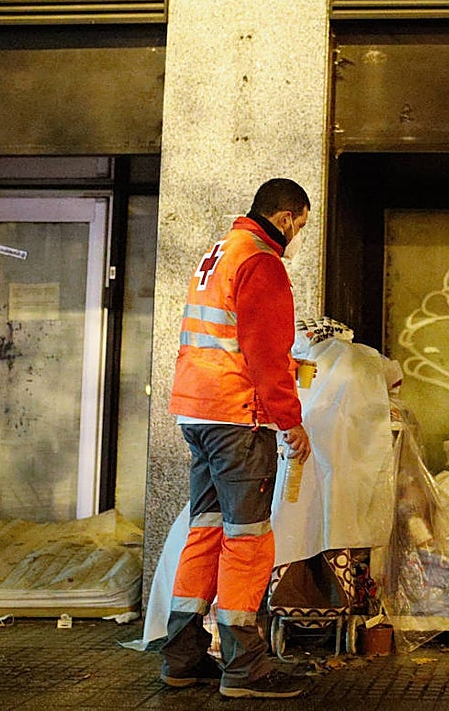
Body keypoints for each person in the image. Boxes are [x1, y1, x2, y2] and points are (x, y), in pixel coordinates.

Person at [160, 178, 314, 699]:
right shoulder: (261, 262)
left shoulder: (219, 252)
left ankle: (181, 657)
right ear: (289, 217)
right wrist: (290, 423)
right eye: (302, 227)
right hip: (237, 416)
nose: (298, 239)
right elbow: (265, 354)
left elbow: (220, 338)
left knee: (204, 531)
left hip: (197, 412)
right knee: (247, 539)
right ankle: (245, 668)